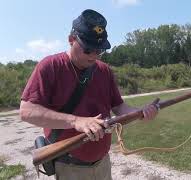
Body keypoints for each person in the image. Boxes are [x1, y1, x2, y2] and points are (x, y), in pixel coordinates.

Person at [19, 9, 158, 180]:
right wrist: (76, 121)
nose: (94, 55)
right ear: (71, 40)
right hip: (69, 166)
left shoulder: (104, 70)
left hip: (103, 163)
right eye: (88, 49)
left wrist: (141, 113)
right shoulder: (50, 66)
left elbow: (119, 107)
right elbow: (27, 111)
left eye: (99, 50)